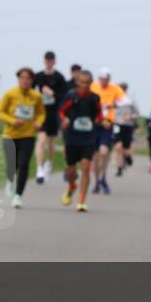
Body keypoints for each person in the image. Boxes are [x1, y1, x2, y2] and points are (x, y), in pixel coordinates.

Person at [0, 68, 46, 208]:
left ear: (32, 80)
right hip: (10, 134)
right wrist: (12, 121)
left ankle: (18, 196)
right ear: (18, 79)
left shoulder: (36, 96)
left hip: (28, 135)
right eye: (22, 77)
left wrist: (38, 122)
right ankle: (10, 181)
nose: (25, 80)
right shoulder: (10, 94)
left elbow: (41, 114)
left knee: (23, 165)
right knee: (12, 164)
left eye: (28, 78)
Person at [58, 71, 102, 212]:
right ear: (78, 82)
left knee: (85, 168)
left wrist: (102, 121)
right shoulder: (71, 96)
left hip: (88, 138)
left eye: (87, 82)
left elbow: (100, 115)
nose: (85, 85)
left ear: (91, 83)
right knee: (71, 172)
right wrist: (64, 120)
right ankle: (72, 186)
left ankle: (82, 200)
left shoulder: (95, 99)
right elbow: (61, 112)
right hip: (71, 137)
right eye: (82, 82)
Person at [89, 67, 124, 194]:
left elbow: (125, 100)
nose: (104, 82)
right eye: (102, 79)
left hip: (107, 124)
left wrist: (113, 105)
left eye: (106, 79)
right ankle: (97, 181)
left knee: (104, 153)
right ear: (99, 79)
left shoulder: (114, 88)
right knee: (96, 157)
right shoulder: (93, 86)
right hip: (94, 124)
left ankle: (103, 177)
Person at [33, 51, 67, 184]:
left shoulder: (59, 77)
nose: (48, 62)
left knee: (50, 143)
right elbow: (30, 91)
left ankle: (49, 162)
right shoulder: (38, 76)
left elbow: (64, 97)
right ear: (44, 61)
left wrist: (52, 93)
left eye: (51, 60)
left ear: (54, 61)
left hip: (54, 112)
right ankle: (39, 169)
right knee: (41, 140)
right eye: (46, 60)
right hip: (41, 113)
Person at [113, 82, 139, 177]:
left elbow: (137, 113)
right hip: (117, 125)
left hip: (128, 126)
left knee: (125, 148)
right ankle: (119, 168)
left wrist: (131, 117)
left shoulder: (130, 100)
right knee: (118, 147)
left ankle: (127, 157)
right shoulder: (114, 98)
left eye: (123, 88)